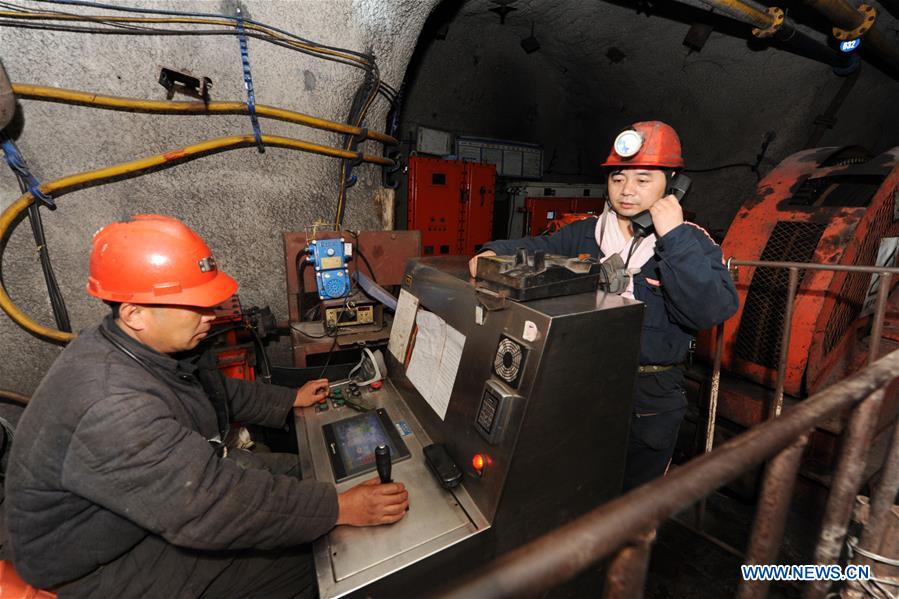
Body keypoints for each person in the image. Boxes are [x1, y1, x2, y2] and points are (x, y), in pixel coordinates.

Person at [6, 214, 408, 598]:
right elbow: (213, 507)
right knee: (307, 557)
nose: (212, 316)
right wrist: (337, 509)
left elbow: (215, 392)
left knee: (310, 475)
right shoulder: (113, 406)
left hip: (148, 510)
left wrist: (289, 399)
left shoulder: (144, 348)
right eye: (195, 306)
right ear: (135, 314)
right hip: (101, 566)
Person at [470, 121, 738, 491]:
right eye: (618, 179)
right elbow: (534, 249)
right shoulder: (588, 232)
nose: (627, 191)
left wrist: (672, 236)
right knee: (580, 483)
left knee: (633, 504)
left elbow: (709, 310)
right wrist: (492, 253)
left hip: (650, 393)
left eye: (643, 180)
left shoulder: (691, 243)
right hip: (586, 382)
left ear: (673, 184)